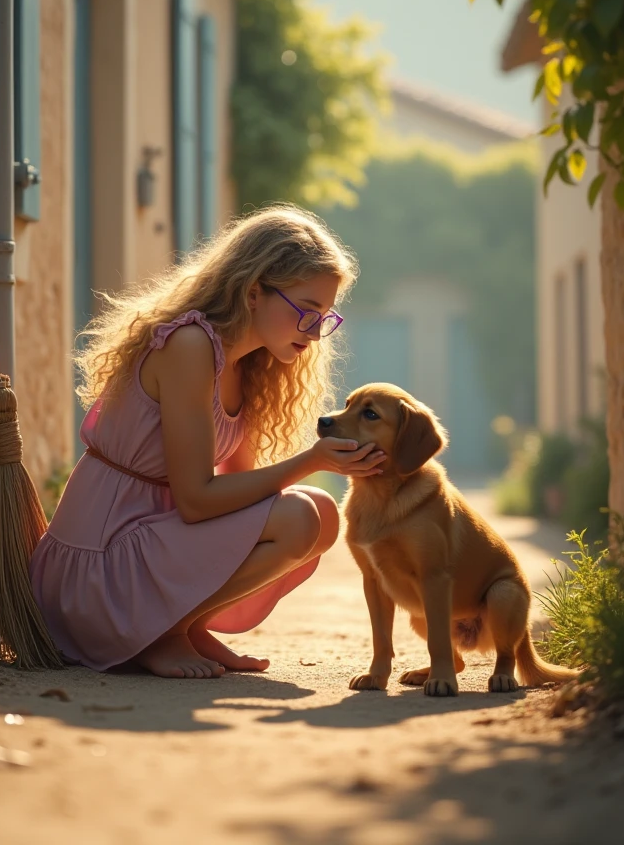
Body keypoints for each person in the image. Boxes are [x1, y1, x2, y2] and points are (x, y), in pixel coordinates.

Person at [30, 205, 386, 678]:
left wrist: (343, 463)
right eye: (306, 312)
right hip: (97, 576)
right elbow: (198, 501)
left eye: (325, 319)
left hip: (147, 549)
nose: (316, 333)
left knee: (317, 515)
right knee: (302, 511)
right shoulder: (191, 346)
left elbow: (243, 493)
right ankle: (163, 633)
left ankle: (184, 626)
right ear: (254, 291)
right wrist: (311, 460)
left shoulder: (252, 367)